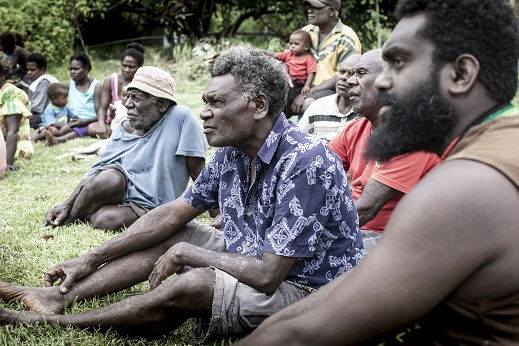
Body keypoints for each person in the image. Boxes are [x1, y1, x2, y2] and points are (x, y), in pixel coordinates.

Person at [0, 45, 363, 342]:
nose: (203, 112)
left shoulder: (307, 162)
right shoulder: (231, 154)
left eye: (217, 103)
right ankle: (54, 298)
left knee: (198, 281)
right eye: (206, 101)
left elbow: (269, 275)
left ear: (259, 106)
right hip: (252, 255)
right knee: (172, 232)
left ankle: (53, 326)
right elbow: (174, 213)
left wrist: (191, 253)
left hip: (306, 291)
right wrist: (90, 259)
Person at [235, 0, 519, 344]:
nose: (382, 84)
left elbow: (305, 335)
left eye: (398, 63)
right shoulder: (496, 141)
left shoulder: (466, 186)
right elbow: (356, 284)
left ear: (460, 75)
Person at [43, 66, 207, 231]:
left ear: (161, 104)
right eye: (128, 96)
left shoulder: (181, 117)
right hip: (119, 193)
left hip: (153, 206)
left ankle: (86, 213)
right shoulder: (124, 126)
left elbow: (199, 174)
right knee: (110, 177)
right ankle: (71, 218)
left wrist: (220, 214)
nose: (127, 104)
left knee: (104, 220)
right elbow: (96, 172)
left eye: (135, 98)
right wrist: (68, 205)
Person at [329, 49, 440, 252]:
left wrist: (308, 230)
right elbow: (317, 168)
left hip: (402, 240)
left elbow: (366, 209)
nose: (350, 81)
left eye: (360, 73)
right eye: (350, 74)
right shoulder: (356, 128)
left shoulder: (411, 132)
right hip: (361, 230)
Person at [291, 0, 362, 115]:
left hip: (333, 90)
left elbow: (346, 75)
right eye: (309, 7)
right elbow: (288, 56)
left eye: (316, 7)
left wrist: (307, 93)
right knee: (273, 97)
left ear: (332, 11)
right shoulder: (307, 31)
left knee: (309, 103)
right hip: (304, 86)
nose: (310, 10)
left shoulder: (346, 37)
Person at [297, 53, 360, 142]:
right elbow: (297, 141)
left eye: (351, 74)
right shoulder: (317, 107)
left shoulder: (365, 113)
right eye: (341, 72)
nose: (343, 77)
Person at [44, 53, 102, 145]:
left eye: (76, 69)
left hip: (89, 121)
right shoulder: (69, 85)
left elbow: (100, 113)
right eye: (71, 69)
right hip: (73, 121)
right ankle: (35, 138)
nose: (72, 72)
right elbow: (58, 103)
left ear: (86, 69)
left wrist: (84, 122)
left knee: (78, 130)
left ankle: (57, 140)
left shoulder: (96, 86)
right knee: (56, 129)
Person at [261, 30, 316, 118]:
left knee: (288, 97)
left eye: (296, 44)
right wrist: (261, 52)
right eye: (291, 44)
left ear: (306, 46)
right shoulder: (289, 55)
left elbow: (311, 72)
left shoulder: (308, 59)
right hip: (287, 80)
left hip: (297, 84)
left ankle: (283, 115)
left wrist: (307, 85)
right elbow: (275, 55)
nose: (292, 46)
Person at [98, 42, 145, 138]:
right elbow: (103, 107)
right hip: (114, 123)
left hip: (135, 124)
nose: (126, 70)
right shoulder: (111, 80)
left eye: (131, 67)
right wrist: (101, 123)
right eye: (124, 65)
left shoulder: (143, 83)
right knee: (92, 128)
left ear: (140, 67)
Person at [0, 52, 34, 172]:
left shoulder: (11, 94)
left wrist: (7, 162)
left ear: (3, 74)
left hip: (10, 146)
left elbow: (12, 131)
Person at [25, 52, 59, 129]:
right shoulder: (35, 81)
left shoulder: (44, 82)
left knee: (25, 120)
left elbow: (36, 108)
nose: (29, 73)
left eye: (32, 70)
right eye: (28, 70)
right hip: (40, 114)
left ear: (42, 70)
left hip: (46, 115)